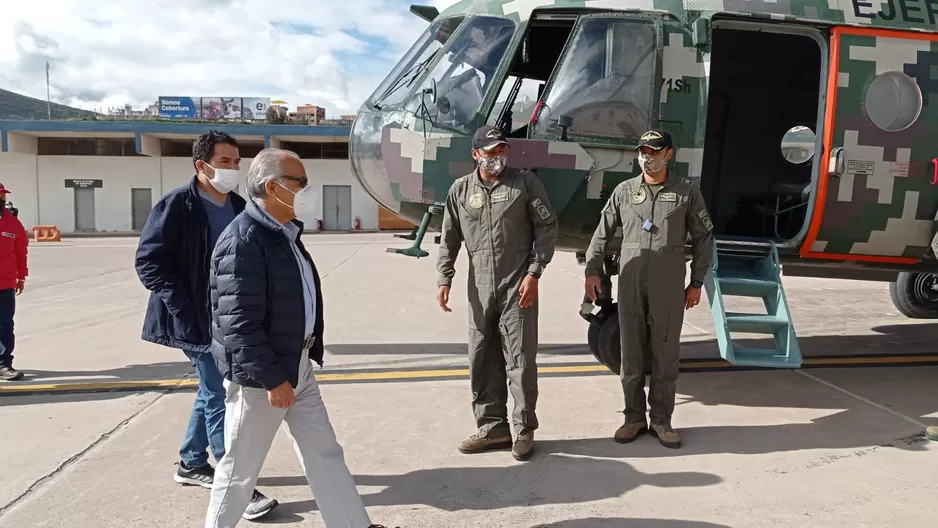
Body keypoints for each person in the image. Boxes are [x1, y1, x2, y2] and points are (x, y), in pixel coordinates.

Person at [204, 148, 393, 528]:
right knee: (240, 470)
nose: (308, 190)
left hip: (298, 365)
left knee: (324, 453)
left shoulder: (283, 233)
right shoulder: (244, 240)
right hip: (263, 378)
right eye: (300, 183)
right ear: (272, 188)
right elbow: (237, 323)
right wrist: (273, 379)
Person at [134, 130, 277, 519]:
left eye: (236, 162)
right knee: (220, 395)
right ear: (202, 165)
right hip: (194, 319)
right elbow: (149, 262)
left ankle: (191, 462)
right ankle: (237, 488)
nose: (233, 168)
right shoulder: (177, 206)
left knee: (210, 391)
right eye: (225, 162)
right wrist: (184, 305)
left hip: (229, 316)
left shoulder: (237, 205)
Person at [583, 129, 715, 449]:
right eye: (642, 150)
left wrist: (696, 282)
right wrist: (592, 270)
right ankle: (633, 419)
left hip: (668, 283)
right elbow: (602, 234)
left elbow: (703, 238)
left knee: (665, 354)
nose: (647, 156)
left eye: (654, 151)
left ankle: (662, 421)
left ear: (668, 153)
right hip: (631, 280)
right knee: (631, 355)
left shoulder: (686, 192)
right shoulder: (625, 191)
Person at [436, 125, 558, 461]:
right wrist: (444, 278)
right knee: (481, 357)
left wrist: (535, 272)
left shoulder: (525, 184)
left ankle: (522, 430)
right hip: (479, 287)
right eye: (491, 152)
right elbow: (449, 238)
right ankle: (492, 428)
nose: (497, 158)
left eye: (502, 151)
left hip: (517, 284)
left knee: (518, 359)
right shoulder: (460, 191)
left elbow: (547, 228)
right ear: (475, 154)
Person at [0, 183, 28, 381]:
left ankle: (4, 364)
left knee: (5, 325)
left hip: (6, 283)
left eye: (1, 197)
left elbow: (21, 253)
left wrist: (21, 276)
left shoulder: (13, 225)